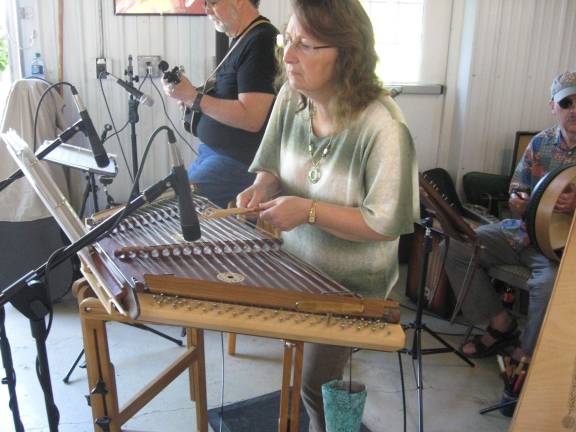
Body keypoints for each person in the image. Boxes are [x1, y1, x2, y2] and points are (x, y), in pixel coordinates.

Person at [236, 1, 419, 430]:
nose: (288, 55)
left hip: (350, 285)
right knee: (297, 372)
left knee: (317, 386)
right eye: (288, 39)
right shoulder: (291, 97)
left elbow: (384, 224)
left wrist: (309, 211)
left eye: (306, 45)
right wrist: (261, 187)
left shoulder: (383, 127)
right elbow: (271, 168)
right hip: (294, 265)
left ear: (346, 54)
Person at [444, 71, 576, 362]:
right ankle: (500, 323)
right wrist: (518, 200)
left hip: (560, 250)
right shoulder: (541, 143)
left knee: (547, 284)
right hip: (522, 233)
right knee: (455, 246)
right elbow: (517, 186)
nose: (574, 110)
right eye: (566, 103)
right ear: (553, 106)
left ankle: (527, 354)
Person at [163, 0, 278, 208]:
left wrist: (193, 97)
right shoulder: (242, 37)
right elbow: (231, 96)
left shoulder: (261, 41)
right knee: (166, 201)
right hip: (214, 153)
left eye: (213, 2)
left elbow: (252, 117)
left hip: (238, 161)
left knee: (176, 208)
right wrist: (193, 99)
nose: (206, 9)